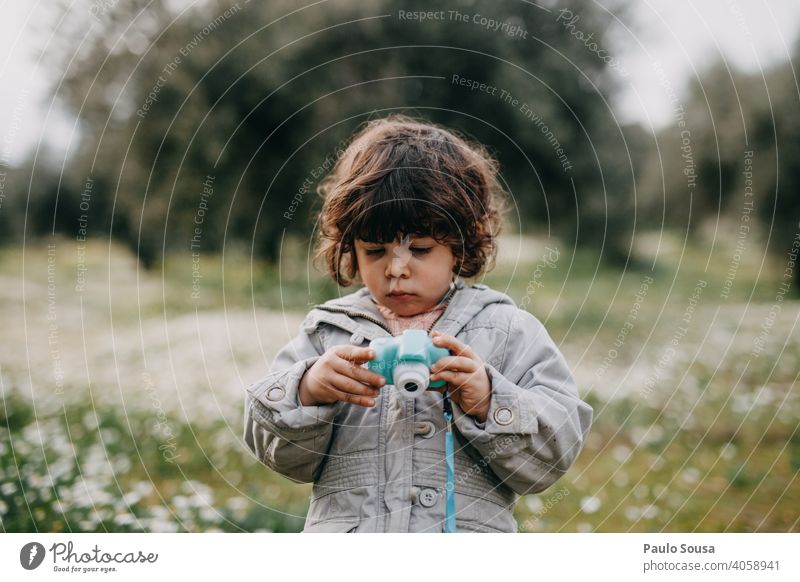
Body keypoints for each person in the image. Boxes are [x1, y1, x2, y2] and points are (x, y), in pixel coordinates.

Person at [243, 114, 592, 532]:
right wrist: (308, 390)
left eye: (421, 249)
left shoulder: (506, 330)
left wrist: (488, 400)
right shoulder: (327, 334)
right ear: (349, 248)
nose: (396, 270)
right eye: (375, 251)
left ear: (463, 243)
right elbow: (280, 456)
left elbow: (553, 455)